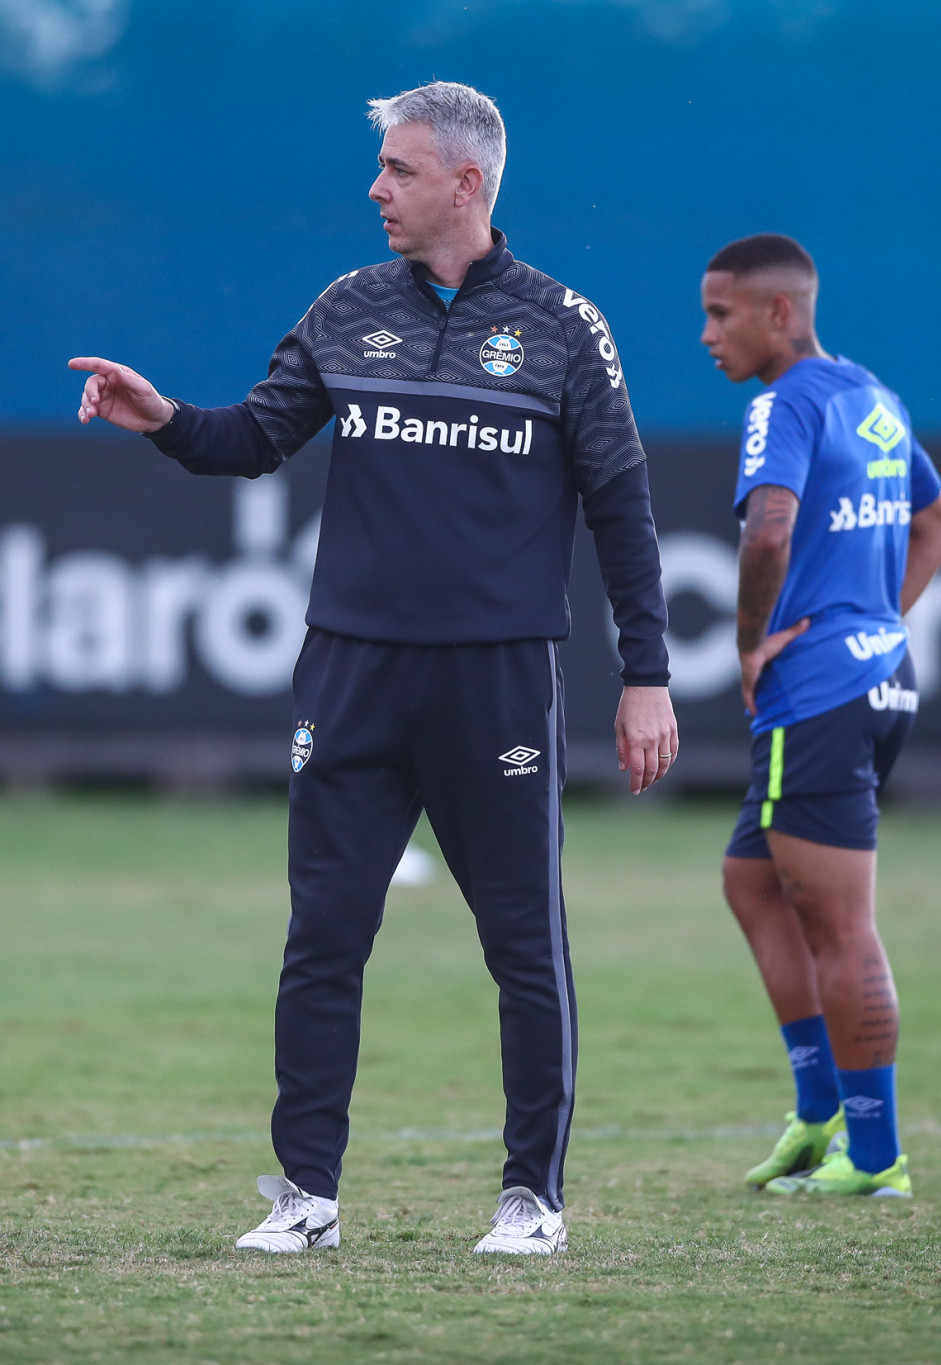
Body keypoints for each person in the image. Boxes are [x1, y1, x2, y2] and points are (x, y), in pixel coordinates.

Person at [72, 81, 675, 1255]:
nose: (374, 190)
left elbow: (622, 508)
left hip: (496, 678)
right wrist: (165, 419)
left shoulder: (562, 327)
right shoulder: (347, 307)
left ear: (467, 181)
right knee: (324, 935)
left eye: (396, 170)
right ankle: (306, 1198)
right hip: (348, 672)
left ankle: (531, 1201)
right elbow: (254, 437)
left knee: (522, 944)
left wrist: (643, 674)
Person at [702, 233, 941, 1197]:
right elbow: (938, 522)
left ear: (779, 312)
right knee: (753, 883)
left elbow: (770, 525)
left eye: (720, 313)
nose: (706, 333)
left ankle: (878, 1153)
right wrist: (877, 619)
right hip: (879, 681)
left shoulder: (786, 402)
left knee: (841, 926)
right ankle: (818, 1114)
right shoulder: (870, 395)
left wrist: (751, 639)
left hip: (817, 695)